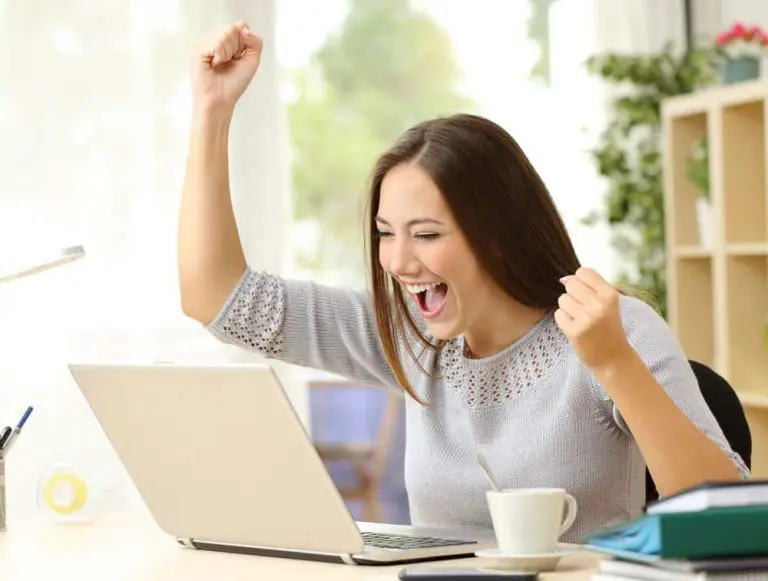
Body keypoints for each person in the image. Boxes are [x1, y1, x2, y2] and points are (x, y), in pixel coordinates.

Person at [178, 21, 749, 543]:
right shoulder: (411, 336)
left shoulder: (613, 332)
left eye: (426, 235)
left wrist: (614, 363)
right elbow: (218, 299)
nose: (398, 262)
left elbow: (729, 524)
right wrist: (212, 110)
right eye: (385, 233)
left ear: (499, 234)